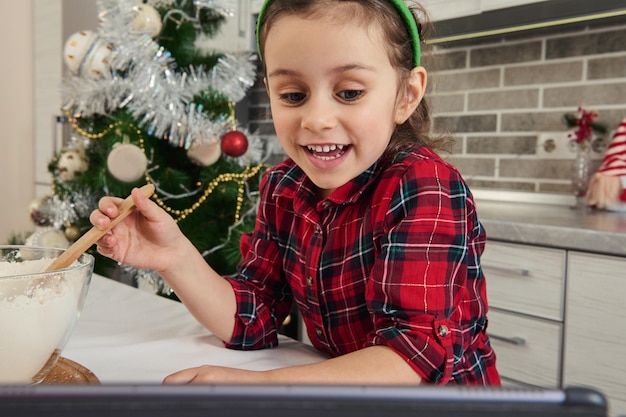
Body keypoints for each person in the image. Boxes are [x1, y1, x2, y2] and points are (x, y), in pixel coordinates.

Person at [90, 0, 500, 385]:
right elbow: (254, 318)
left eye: (350, 92)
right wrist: (173, 256)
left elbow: (412, 355)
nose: (317, 119)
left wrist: (255, 385)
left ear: (406, 95)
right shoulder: (284, 186)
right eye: (293, 95)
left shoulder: (423, 185)